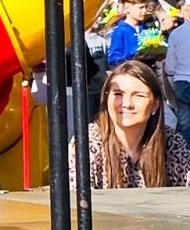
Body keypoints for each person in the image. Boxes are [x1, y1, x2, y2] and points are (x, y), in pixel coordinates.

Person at [72, 59, 190, 189]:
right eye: (118, 94)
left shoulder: (172, 142)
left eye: (139, 96)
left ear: (155, 104)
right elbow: (77, 196)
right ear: (106, 98)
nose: (127, 104)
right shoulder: (87, 141)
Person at [164, 0, 190, 143]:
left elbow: (170, 66)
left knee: (185, 124)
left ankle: (186, 153)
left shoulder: (176, 34)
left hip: (181, 82)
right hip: (181, 80)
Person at [107, 0, 152, 67]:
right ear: (127, 9)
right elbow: (113, 60)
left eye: (145, 7)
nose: (144, 11)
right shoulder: (120, 31)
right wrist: (132, 58)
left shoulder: (145, 29)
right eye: (140, 8)